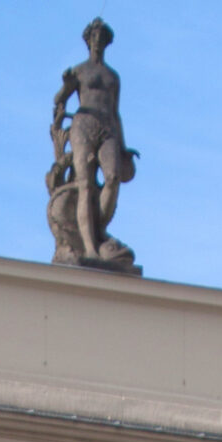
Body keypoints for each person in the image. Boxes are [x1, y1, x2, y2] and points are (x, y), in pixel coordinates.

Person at [47, 20, 138, 269]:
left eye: (101, 37)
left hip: (107, 126)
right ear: (88, 41)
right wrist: (66, 87)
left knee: (112, 177)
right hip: (84, 124)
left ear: (106, 42)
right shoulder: (79, 71)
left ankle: (98, 229)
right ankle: (88, 247)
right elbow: (59, 100)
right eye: (93, 36)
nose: (97, 41)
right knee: (85, 184)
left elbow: (117, 112)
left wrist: (123, 146)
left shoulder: (112, 76)